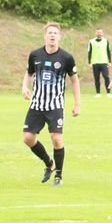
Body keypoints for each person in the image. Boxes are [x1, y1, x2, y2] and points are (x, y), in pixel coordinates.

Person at [21, 22, 81, 187]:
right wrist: (25, 87)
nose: (52, 35)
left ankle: (58, 176)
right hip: (37, 104)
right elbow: (29, 73)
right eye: (50, 33)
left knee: (56, 138)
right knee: (27, 138)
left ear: (59, 37)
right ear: (45, 36)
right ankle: (49, 163)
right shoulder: (35, 55)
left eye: (55, 33)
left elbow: (75, 81)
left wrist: (77, 104)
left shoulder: (66, 58)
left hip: (55, 105)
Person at [87, 28, 112, 97]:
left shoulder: (106, 41)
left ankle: (108, 93)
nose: (99, 33)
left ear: (102, 33)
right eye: (98, 32)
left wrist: (109, 61)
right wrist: (89, 62)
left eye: (100, 32)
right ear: (96, 33)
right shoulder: (91, 41)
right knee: (96, 78)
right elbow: (89, 52)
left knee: (106, 77)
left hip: (104, 62)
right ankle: (98, 93)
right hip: (95, 63)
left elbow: (108, 51)